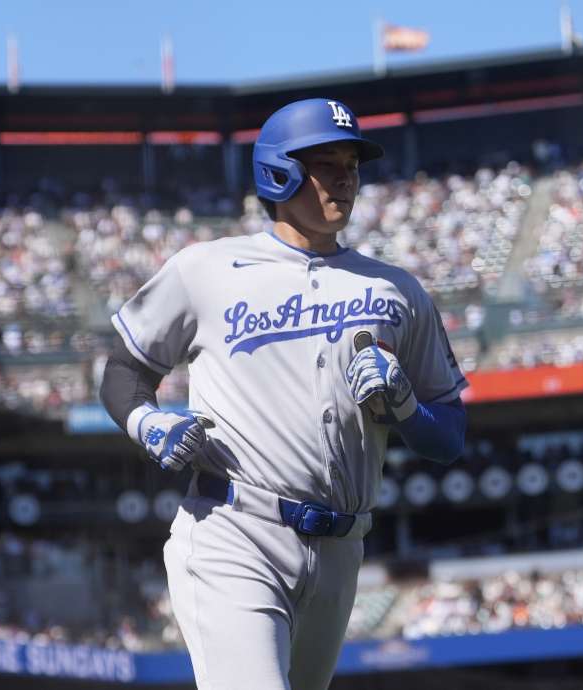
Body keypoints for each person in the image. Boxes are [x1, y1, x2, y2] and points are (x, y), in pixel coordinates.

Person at [99, 97, 467, 690]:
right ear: (279, 171)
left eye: (352, 162)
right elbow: (124, 369)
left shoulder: (396, 289)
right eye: (328, 161)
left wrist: (405, 407)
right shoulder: (207, 269)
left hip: (342, 546)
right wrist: (148, 421)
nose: (346, 176)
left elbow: (449, 436)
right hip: (236, 531)